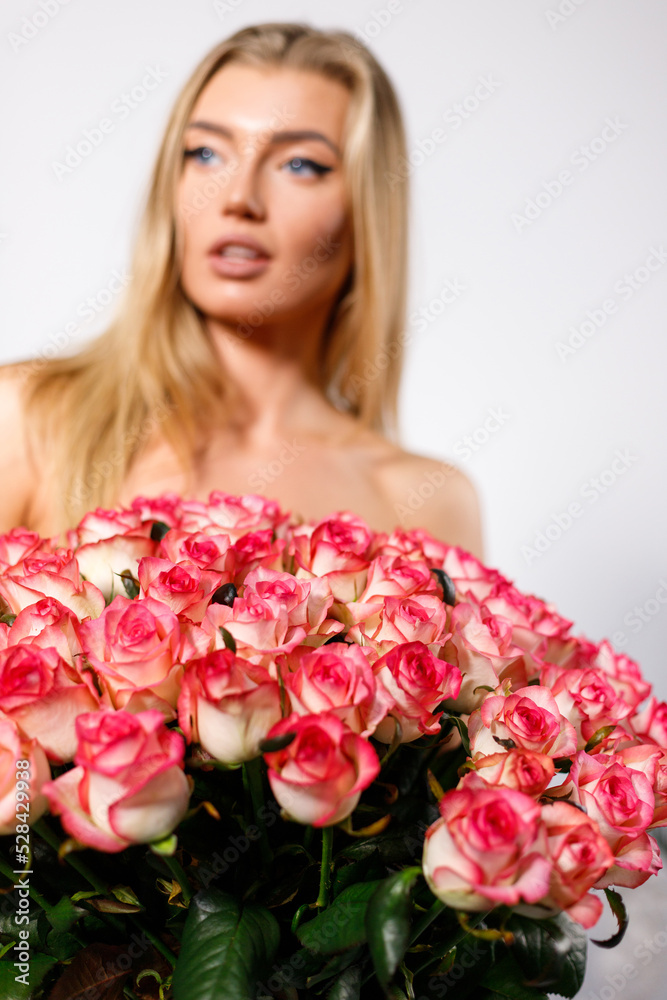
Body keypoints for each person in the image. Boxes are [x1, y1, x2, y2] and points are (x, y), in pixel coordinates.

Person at [0, 21, 484, 559]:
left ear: (366, 211)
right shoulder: (27, 418)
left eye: (299, 164)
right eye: (206, 153)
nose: (238, 197)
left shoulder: (427, 502)